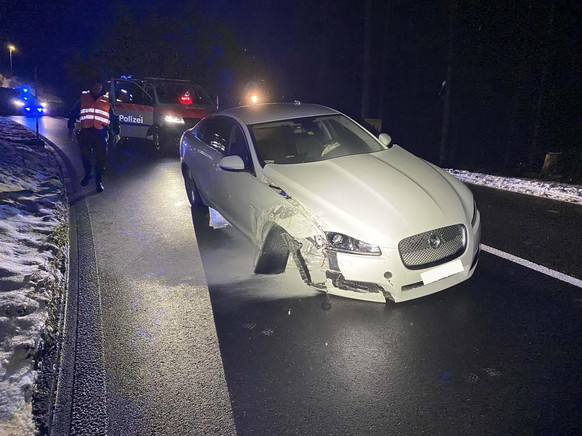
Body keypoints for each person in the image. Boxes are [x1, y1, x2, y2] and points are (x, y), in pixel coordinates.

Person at [68, 81, 119, 193]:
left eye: (99, 85)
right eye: (95, 84)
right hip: (86, 132)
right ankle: (88, 174)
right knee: (85, 157)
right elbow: (73, 114)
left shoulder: (107, 100)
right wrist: (70, 128)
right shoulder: (83, 98)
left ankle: (98, 182)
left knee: (101, 159)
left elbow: (114, 118)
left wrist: (117, 133)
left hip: (100, 133)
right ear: (91, 86)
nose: (98, 86)